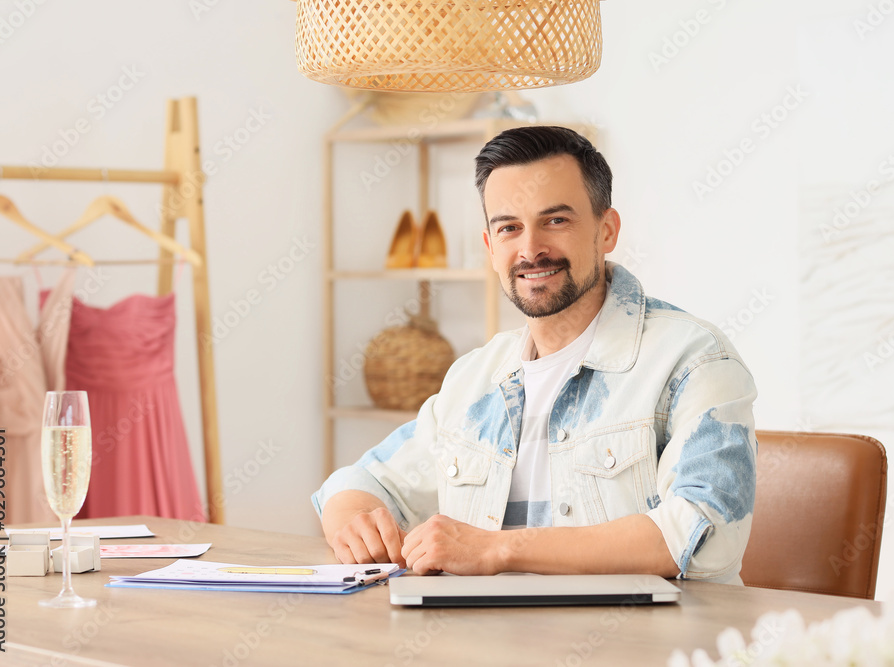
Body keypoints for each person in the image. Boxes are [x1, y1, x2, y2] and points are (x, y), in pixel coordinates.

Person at [313, 126, 757, 584]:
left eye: (556, 221)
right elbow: (360, 483)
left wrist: (499, 550)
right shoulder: (474, 378)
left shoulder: (694, 360)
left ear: (607, 231)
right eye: (509, 228)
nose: (530, 249)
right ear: (490, 248)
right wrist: (354, 521)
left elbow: (705, 530)